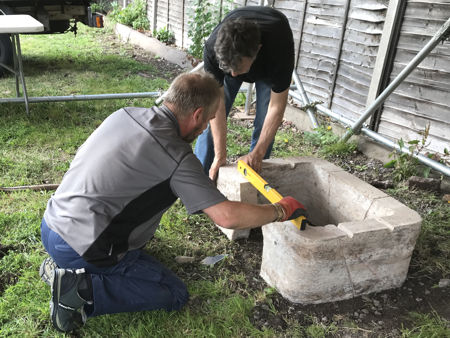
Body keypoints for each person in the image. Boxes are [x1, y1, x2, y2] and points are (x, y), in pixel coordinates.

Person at [39, 71, 306, 332]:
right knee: (173, 292)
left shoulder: (126, 114)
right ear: (198, 115)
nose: (204, 130)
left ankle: (61, 268)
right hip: (81, 247)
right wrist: (281, 210)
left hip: (51, 225)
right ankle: (81, 290)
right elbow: (227, 216)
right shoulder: (176, 155)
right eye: (207, 122)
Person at [194, 6, 295, 180]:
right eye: (229, 69)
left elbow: (276, 107)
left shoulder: (279, 49)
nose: (233, 75)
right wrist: (220, 154)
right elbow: (216, 106)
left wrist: (258, 152)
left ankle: (253, 173)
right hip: (235, 57)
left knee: (264, 121)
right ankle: (199, 179)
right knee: (210, 118)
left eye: (238, 68)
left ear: (257, 50)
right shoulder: (213, 49)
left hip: (269, 63)